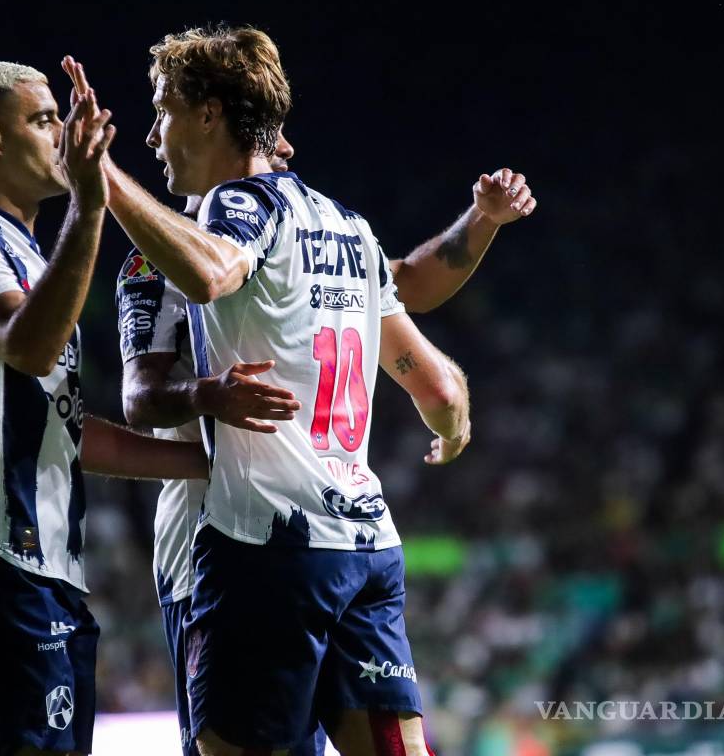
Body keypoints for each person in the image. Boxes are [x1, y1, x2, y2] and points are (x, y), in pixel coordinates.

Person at [64, 24, 490, 755]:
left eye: (163, 111)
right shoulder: (351, 230)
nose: (153, 135)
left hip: (258, 547)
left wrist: (98, 177)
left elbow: (206, 281)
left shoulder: (223, 216)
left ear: (209, 113)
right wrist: (451, 431)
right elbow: (443, 389)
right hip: (365, 544)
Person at [116, 118, 536, 756]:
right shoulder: (337, 237)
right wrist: (480, 224)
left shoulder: (199, 250)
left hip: (234, 547)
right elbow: (433, 362)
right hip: (341, 537)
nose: (284, 151)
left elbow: (141, 397)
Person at [0, 60, 207, 756]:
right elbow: (27, 346)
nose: (63, 134)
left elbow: (64, 430)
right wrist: (92, 205)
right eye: (43, 120)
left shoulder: (36, 258)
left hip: (47, 572)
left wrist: (212, 462)